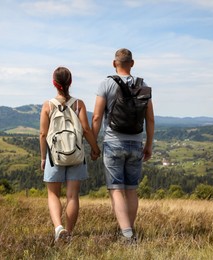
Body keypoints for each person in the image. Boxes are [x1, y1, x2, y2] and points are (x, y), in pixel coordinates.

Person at [91, 48, 155, 241]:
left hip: (113, 142)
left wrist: (93, 145)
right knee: (131, 190)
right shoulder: (142, 85)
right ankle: (128, 230)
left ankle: (127, 235)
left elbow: (96, 117)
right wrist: (148, 145)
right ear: (132, 63)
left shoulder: (106, 83)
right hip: (136, 143)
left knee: (116, 190)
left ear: (114, 63)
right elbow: (150, 119)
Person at [40, 66, 101, 243]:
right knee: (73, 196)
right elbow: (86, 129)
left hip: (54, 155)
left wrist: (44, 157)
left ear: (54, 83)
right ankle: (69, 232)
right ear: (70, 82)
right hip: (76, 154)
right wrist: (95, 149)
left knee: (53, 194)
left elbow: (43, 134)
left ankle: (58, 228)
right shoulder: (78, 104)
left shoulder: (47, 105)